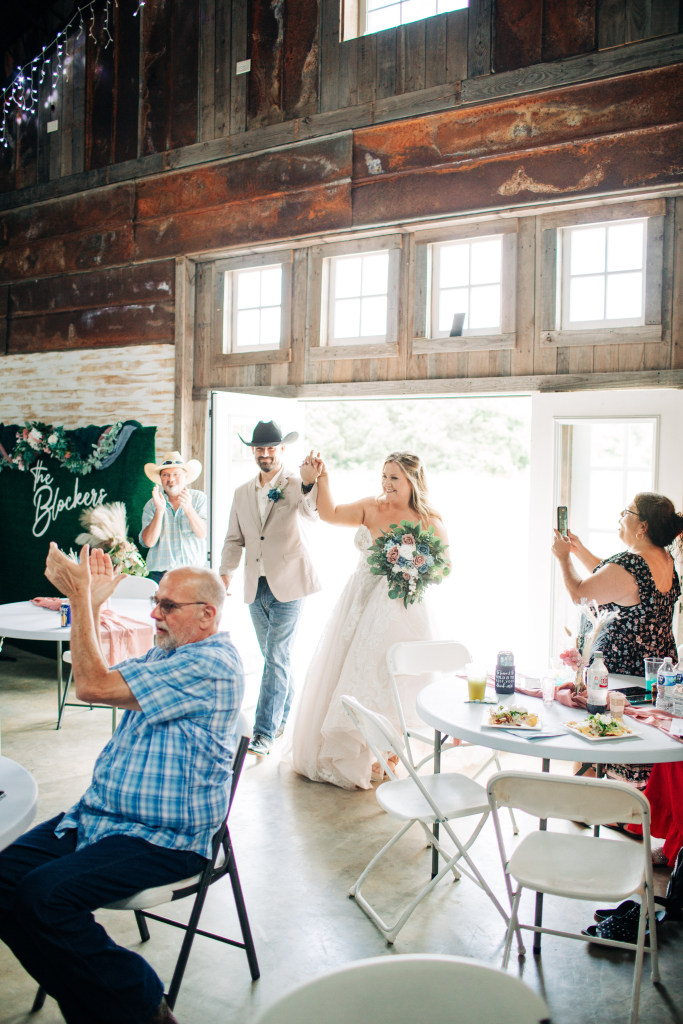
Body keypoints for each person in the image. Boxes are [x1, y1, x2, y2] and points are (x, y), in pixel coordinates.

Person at [0, 545, 243, 1024]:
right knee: (5, 881)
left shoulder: (211, 664)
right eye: (156, 601)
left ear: (207, 615)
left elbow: (92, 685)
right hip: (99, 818)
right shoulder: (168, 652)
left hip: (164, 838)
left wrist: (80, 597)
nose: (155, 614)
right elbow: (102, 673)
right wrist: (90, 605)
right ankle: (94, 1005)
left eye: (167, 606)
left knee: (44, 898)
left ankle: (145, 1007)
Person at [289, 451, 448, 790]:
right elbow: (330, 514)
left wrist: (412, 570)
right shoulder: (370, 507)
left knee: (398, 679)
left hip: (405, 611)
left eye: (394, 478)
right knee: (358, 671)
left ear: (412, 481)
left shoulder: (429, 520)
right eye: (384, 476)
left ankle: (391, 752)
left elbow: (445, 567)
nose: (387, 484)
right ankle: (358, 749)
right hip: (361, 603)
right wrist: (323, 478)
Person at [551, 491, 682, 787]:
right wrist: (579, 550)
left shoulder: (630, 564)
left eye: (627, 512)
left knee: (598, 738)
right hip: (653, 672)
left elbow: (581, 594)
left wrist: (563, 558)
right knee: (637, 741)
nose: (621, 517)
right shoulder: (663, 558)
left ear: (643, 526)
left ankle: (592, 800)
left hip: (620, 673)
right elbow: (611, 580)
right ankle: (635, 803)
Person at [219, 420, 322, 757]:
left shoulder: (296, 483)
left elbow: (311, 513)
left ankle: (263, 733)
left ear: (281, 450)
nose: (265, 453)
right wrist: (225, 575)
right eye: (259, 448)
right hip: (255, 586)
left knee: (276, 656)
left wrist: (310, 484)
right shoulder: (241, 492)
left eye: (270, 448)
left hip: (290, 584)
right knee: (275, 658)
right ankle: (281, 720)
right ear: (253, 451)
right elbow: (234, 539)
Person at [140, 451, 207, 583]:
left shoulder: (199, 499)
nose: (171, 479)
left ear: (186, 477)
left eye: (176, 474)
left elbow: (203, 533)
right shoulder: (152, 504)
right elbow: (149, 542)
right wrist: (159, 511)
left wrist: (188, 509)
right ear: (160, 479)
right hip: (161, 577)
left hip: (193, 574)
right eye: (165, 475)